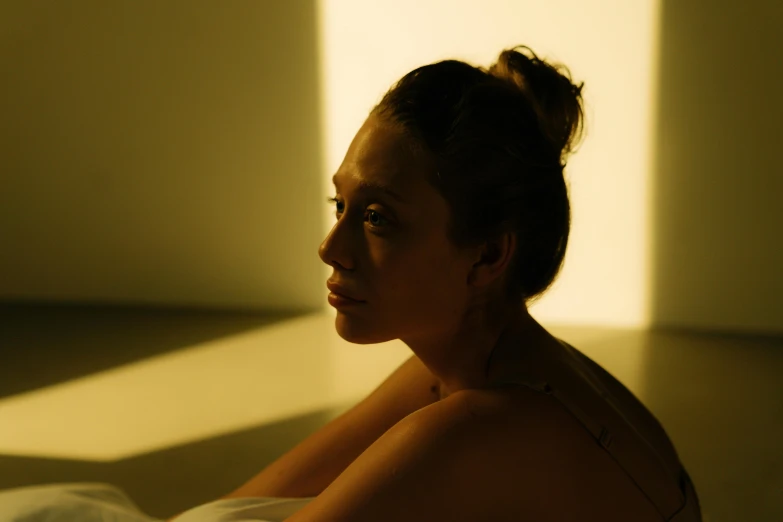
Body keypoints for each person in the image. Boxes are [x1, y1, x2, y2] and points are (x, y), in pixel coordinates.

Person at [184, 45, 703, 521]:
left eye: (377, 218)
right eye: (340, 205)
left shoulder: (477, 426)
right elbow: (237, 504)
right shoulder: (488, 366)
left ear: (488, 254)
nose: (330, 249)